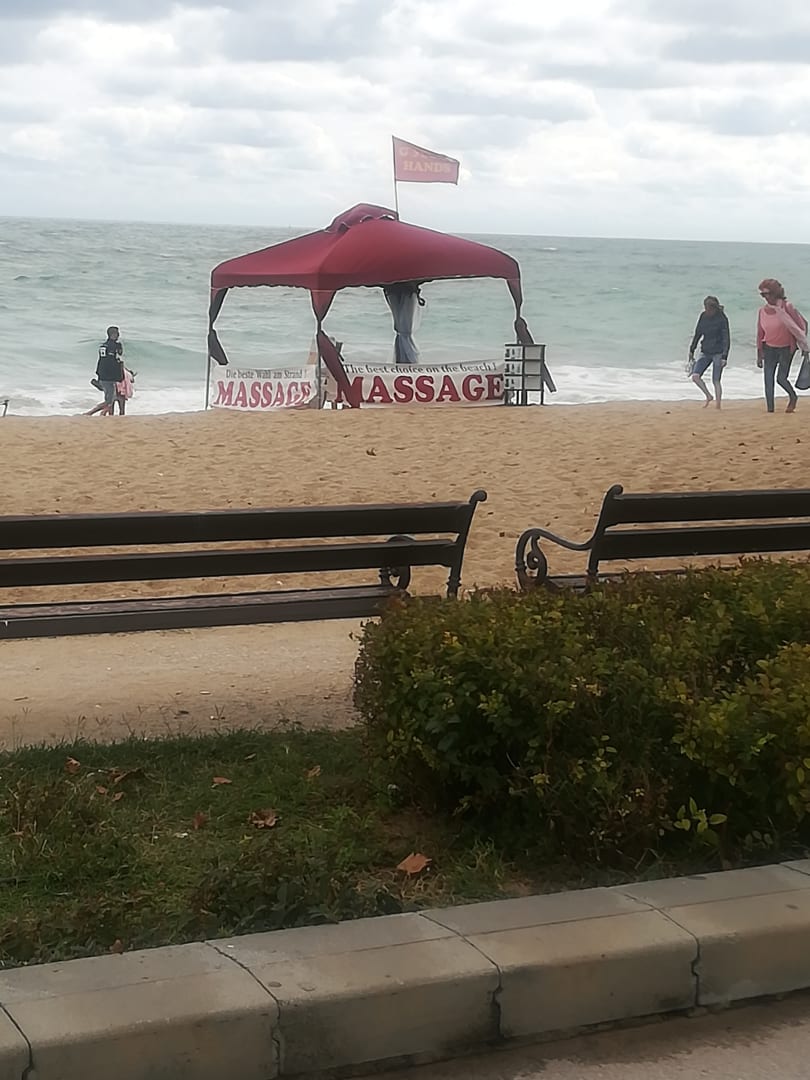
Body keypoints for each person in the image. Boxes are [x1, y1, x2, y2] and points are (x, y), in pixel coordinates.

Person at [756, 279, 809, 414]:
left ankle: (793, 396)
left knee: (781, 378)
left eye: (767, 294)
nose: (765, 297)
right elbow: (760, 333)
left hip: (786, 348)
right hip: (769, 348)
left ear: (775, 293)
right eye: (762, 295)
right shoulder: (762, 311)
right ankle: (770, 410)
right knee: (768, 380)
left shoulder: (787, 307)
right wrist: (759, 353)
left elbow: (802, 326)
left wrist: (803, 345)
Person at [688, 296, 730, 409]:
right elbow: (698, 333)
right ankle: (708, 396)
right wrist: (692, 349)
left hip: (718, 352)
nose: (707, 311)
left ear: (714, 308)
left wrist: (724, 357)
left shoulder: (722, 318)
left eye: (709, 309)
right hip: (705, 351)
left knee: (716, 380)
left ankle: (718, 406)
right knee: (695, 376)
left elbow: (726, 338)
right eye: (705, 308)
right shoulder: (703, 316)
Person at [95, 326, 124, 416]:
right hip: (109, 376)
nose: (118, 335)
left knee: (110, 397)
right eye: (117, 333)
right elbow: (115, 360)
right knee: (109, 400)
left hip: (102, 375)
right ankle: (91, 413)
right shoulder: (114, 346)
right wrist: (119, 375)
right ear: (114, 334)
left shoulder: (103, 346)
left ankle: (108, 415)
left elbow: (102, 361)